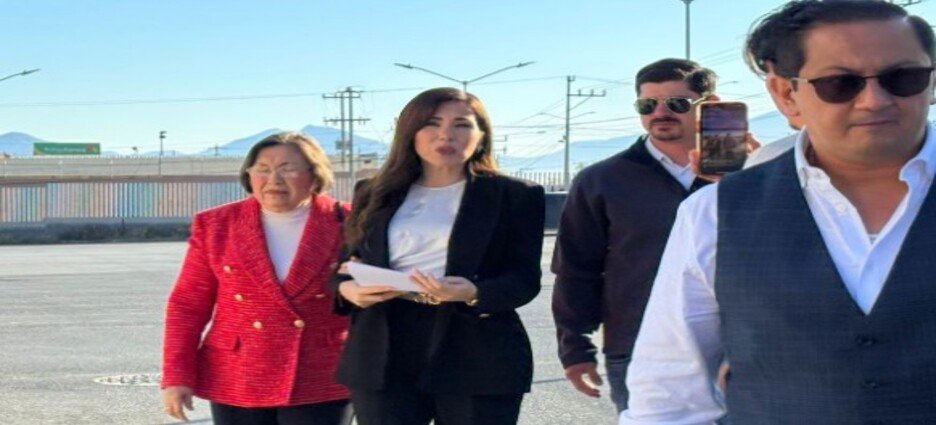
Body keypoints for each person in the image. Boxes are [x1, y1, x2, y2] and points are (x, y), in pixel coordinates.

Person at [622, 1, 936, 423]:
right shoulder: (714, 215)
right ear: (787, 94)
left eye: (904, 78)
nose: (874, 101)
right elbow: (669, 395)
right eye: (840, 83)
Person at [332, 87, 545, 425]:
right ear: (409, 131)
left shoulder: (515, 195)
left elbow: (523, 280)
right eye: (432, 123)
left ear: (481, 135)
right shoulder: (373, 192)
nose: (446, 135)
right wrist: (348, 289)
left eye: (462, 125)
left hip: (476, 348)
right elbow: (346, 265)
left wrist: (472, 292)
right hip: (383, 346)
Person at [551, 58, 721, 413]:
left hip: (741, 349)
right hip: (639, 348)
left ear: (711, 105)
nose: (660, 113)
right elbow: (575, 270)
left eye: (677, 103)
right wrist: (575, 349)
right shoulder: (601, 181)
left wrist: (743, 175)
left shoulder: (752, 174)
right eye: (648, 105)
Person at [162, 132, 352, 425]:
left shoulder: (349, 221)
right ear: (249, 176)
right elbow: (188, 304)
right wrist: (177, 375)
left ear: (314, 176)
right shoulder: (217, 225)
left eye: (288, 169)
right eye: (263, 169)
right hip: (239, 373)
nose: (274, 179)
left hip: (322, 374)